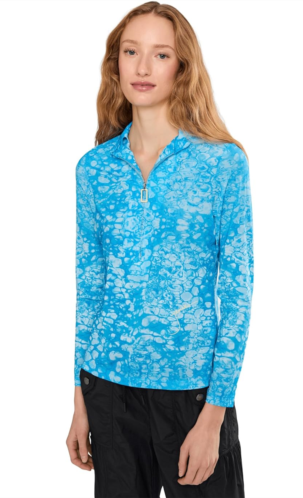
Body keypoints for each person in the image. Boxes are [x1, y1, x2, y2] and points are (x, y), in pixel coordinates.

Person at [66, 2, 254, 497]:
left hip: (192, 395)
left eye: (161, 54)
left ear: (182, 67)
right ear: (116, 63)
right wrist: (80, 398)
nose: (143, 67)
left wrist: (215, 413)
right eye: (131, 52)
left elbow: (237, 291)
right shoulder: (94, 169)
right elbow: (90, 288)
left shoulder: (222, 164)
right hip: (108, 390)